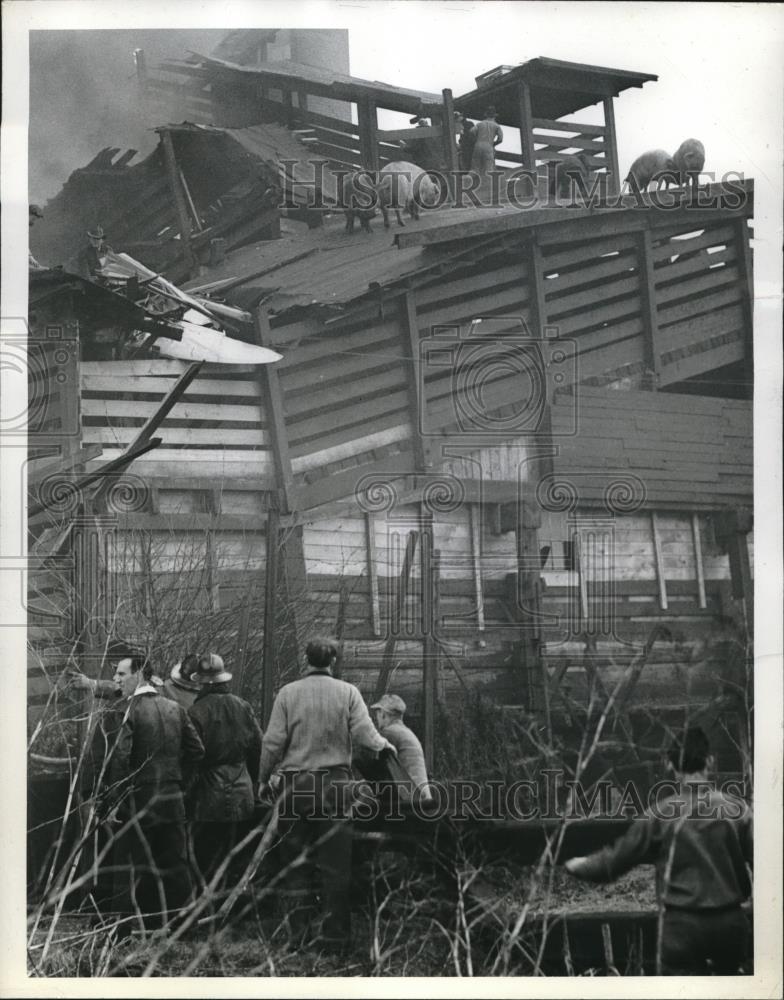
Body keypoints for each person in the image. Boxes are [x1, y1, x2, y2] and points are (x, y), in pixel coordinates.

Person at [565, 726, 753, 975]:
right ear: (710, 761)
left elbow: (614, 862)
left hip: (681, 927)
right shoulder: (737, 810)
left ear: (671, 766)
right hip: (729, 923)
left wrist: (576, 865)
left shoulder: (660, 814)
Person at [257, 637, 396, 953]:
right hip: (336, 788)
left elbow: (272, 743)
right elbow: (364, 733)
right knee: (336, 867)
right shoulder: (348, 692)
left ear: (305, 660)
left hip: (296, 788)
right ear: (333, 662)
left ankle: (296, 939)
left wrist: (263, 779)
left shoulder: (287, 694)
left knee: (295, 865)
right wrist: (382, 745)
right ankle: (334, 940)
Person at [103, 659, 204, 931]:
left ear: (140, 674)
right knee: (175, 862)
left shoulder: (127, 711)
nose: (117, 679)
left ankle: (133, 928)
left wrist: (115, 800)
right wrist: (180, 782)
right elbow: (197, 751)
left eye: (122, 673)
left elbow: (121, 758)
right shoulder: (176, 709)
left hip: (140, 800)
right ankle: (182, 925)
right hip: (172, 798)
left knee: (135, 862)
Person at [187, 653, 263, 890]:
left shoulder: (196, 712)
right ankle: (232, 912)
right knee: (235, 856)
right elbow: (258, 750)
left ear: (202, 682)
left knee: (207, 859)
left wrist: (186, 792)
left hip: (208, 797)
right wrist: (254, 784)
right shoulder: (244, 707)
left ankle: (207, 912)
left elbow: (191, 757)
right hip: (242, 794)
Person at [370, 693, 432, 805]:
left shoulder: (389, 733)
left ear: (383, 714)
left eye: (377, 713)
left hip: (409, 801)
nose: (376, 717)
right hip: (422, 797)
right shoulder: (407, 732)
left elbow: (378, 771)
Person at [470, 106, 503, 201]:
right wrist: (493, 144)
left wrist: (476, 141)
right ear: (495, 116)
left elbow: (471, 131)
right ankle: (490, 194)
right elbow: (500, 139)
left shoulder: (480, 124)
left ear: (486, 115)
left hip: (478, 145)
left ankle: (471, 191)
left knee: (475, 169)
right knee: (489, 170)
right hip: (488, 146)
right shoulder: (496, 126)